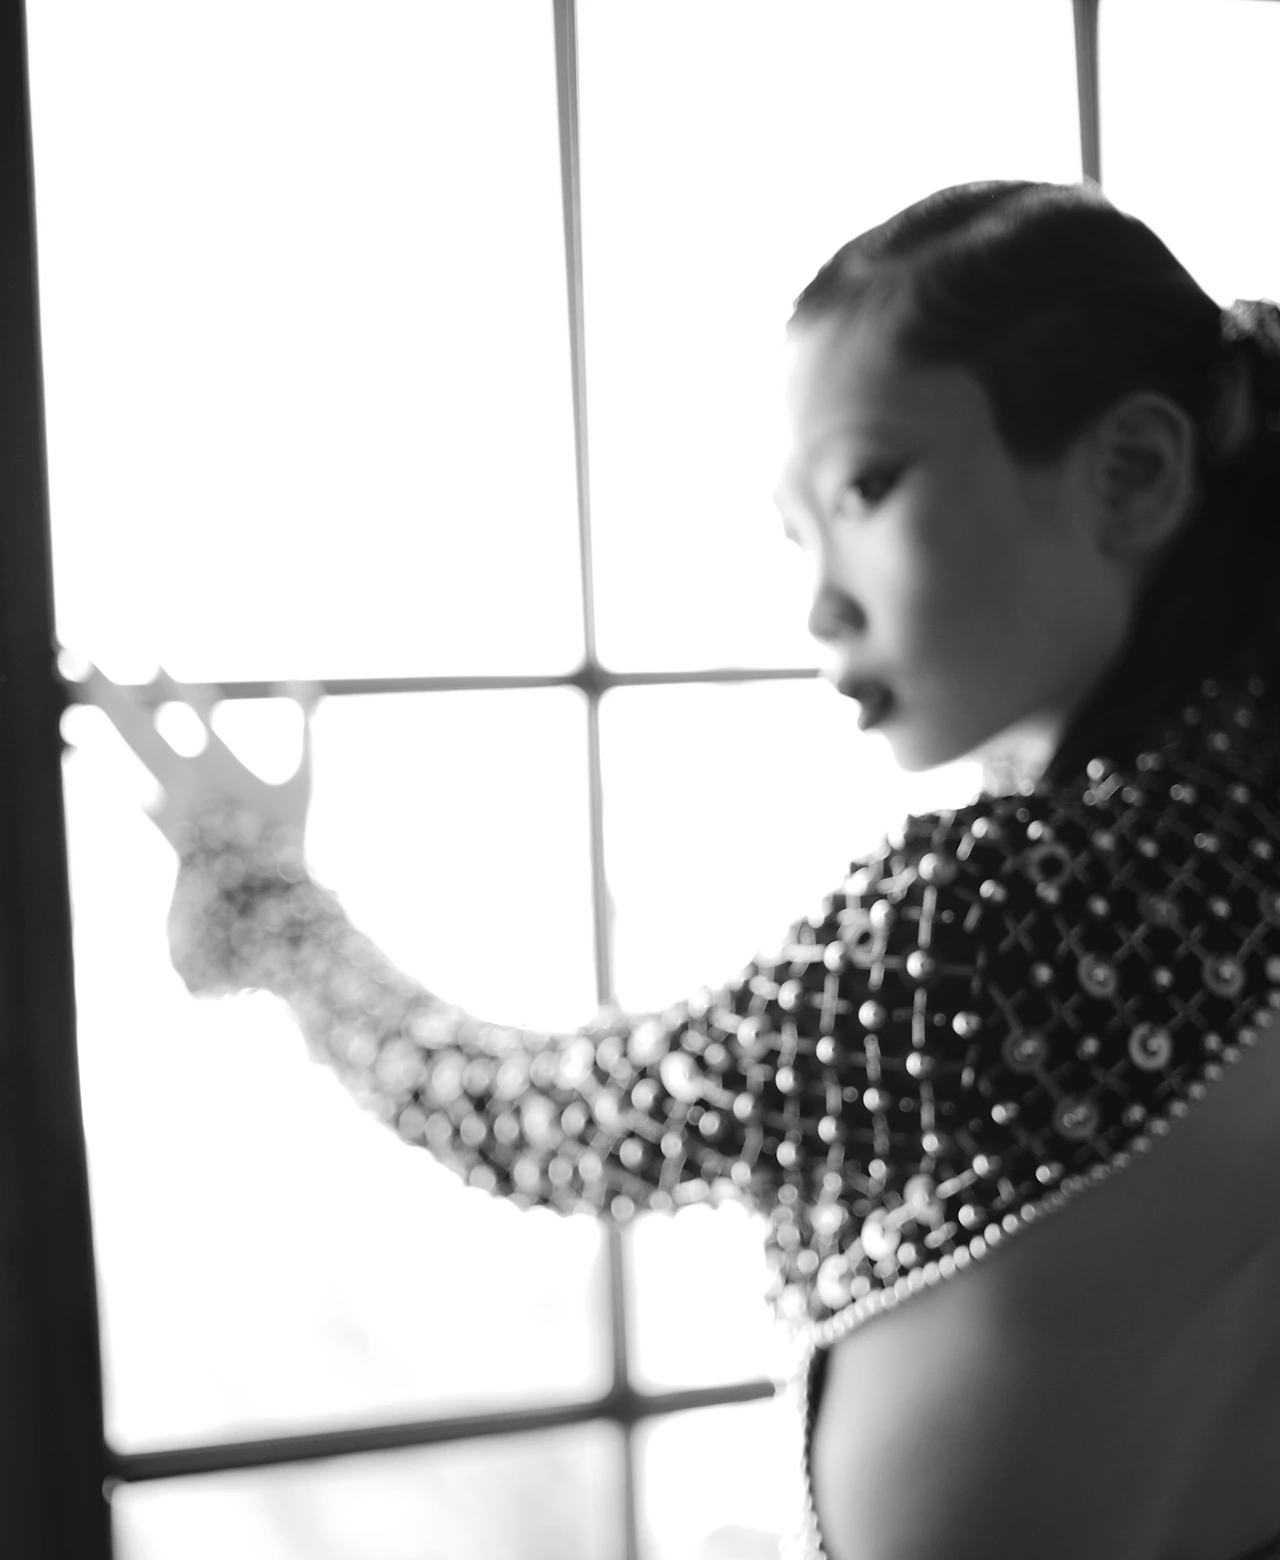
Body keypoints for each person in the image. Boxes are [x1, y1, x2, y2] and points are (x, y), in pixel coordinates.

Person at [86, 180, 1280, 1560]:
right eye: (796, 533)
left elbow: (547, 1125)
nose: (819, 603)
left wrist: (270, 910)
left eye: (867, 487)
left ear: (1132, 472)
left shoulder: (990, 921)